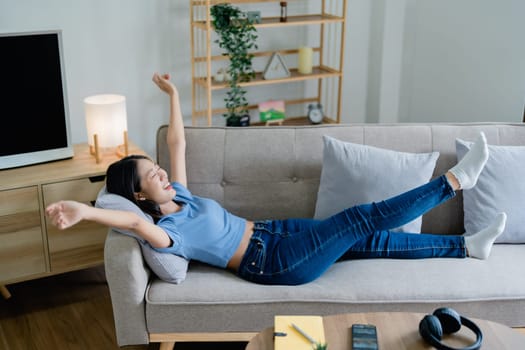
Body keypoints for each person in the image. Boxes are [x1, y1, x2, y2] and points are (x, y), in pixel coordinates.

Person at [45, 73, 507, 286]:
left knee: (375, 241)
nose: (162, 173)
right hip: (274, 263)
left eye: (156, 167)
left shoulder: (180, 195)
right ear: (138, 194)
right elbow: (132, 226)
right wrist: (84, 210)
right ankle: (454, 182)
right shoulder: (166, 233)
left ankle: (465, 247)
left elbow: (179, 145)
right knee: (363, 219)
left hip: (279, 230)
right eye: (152, 175)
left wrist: (175, 94)